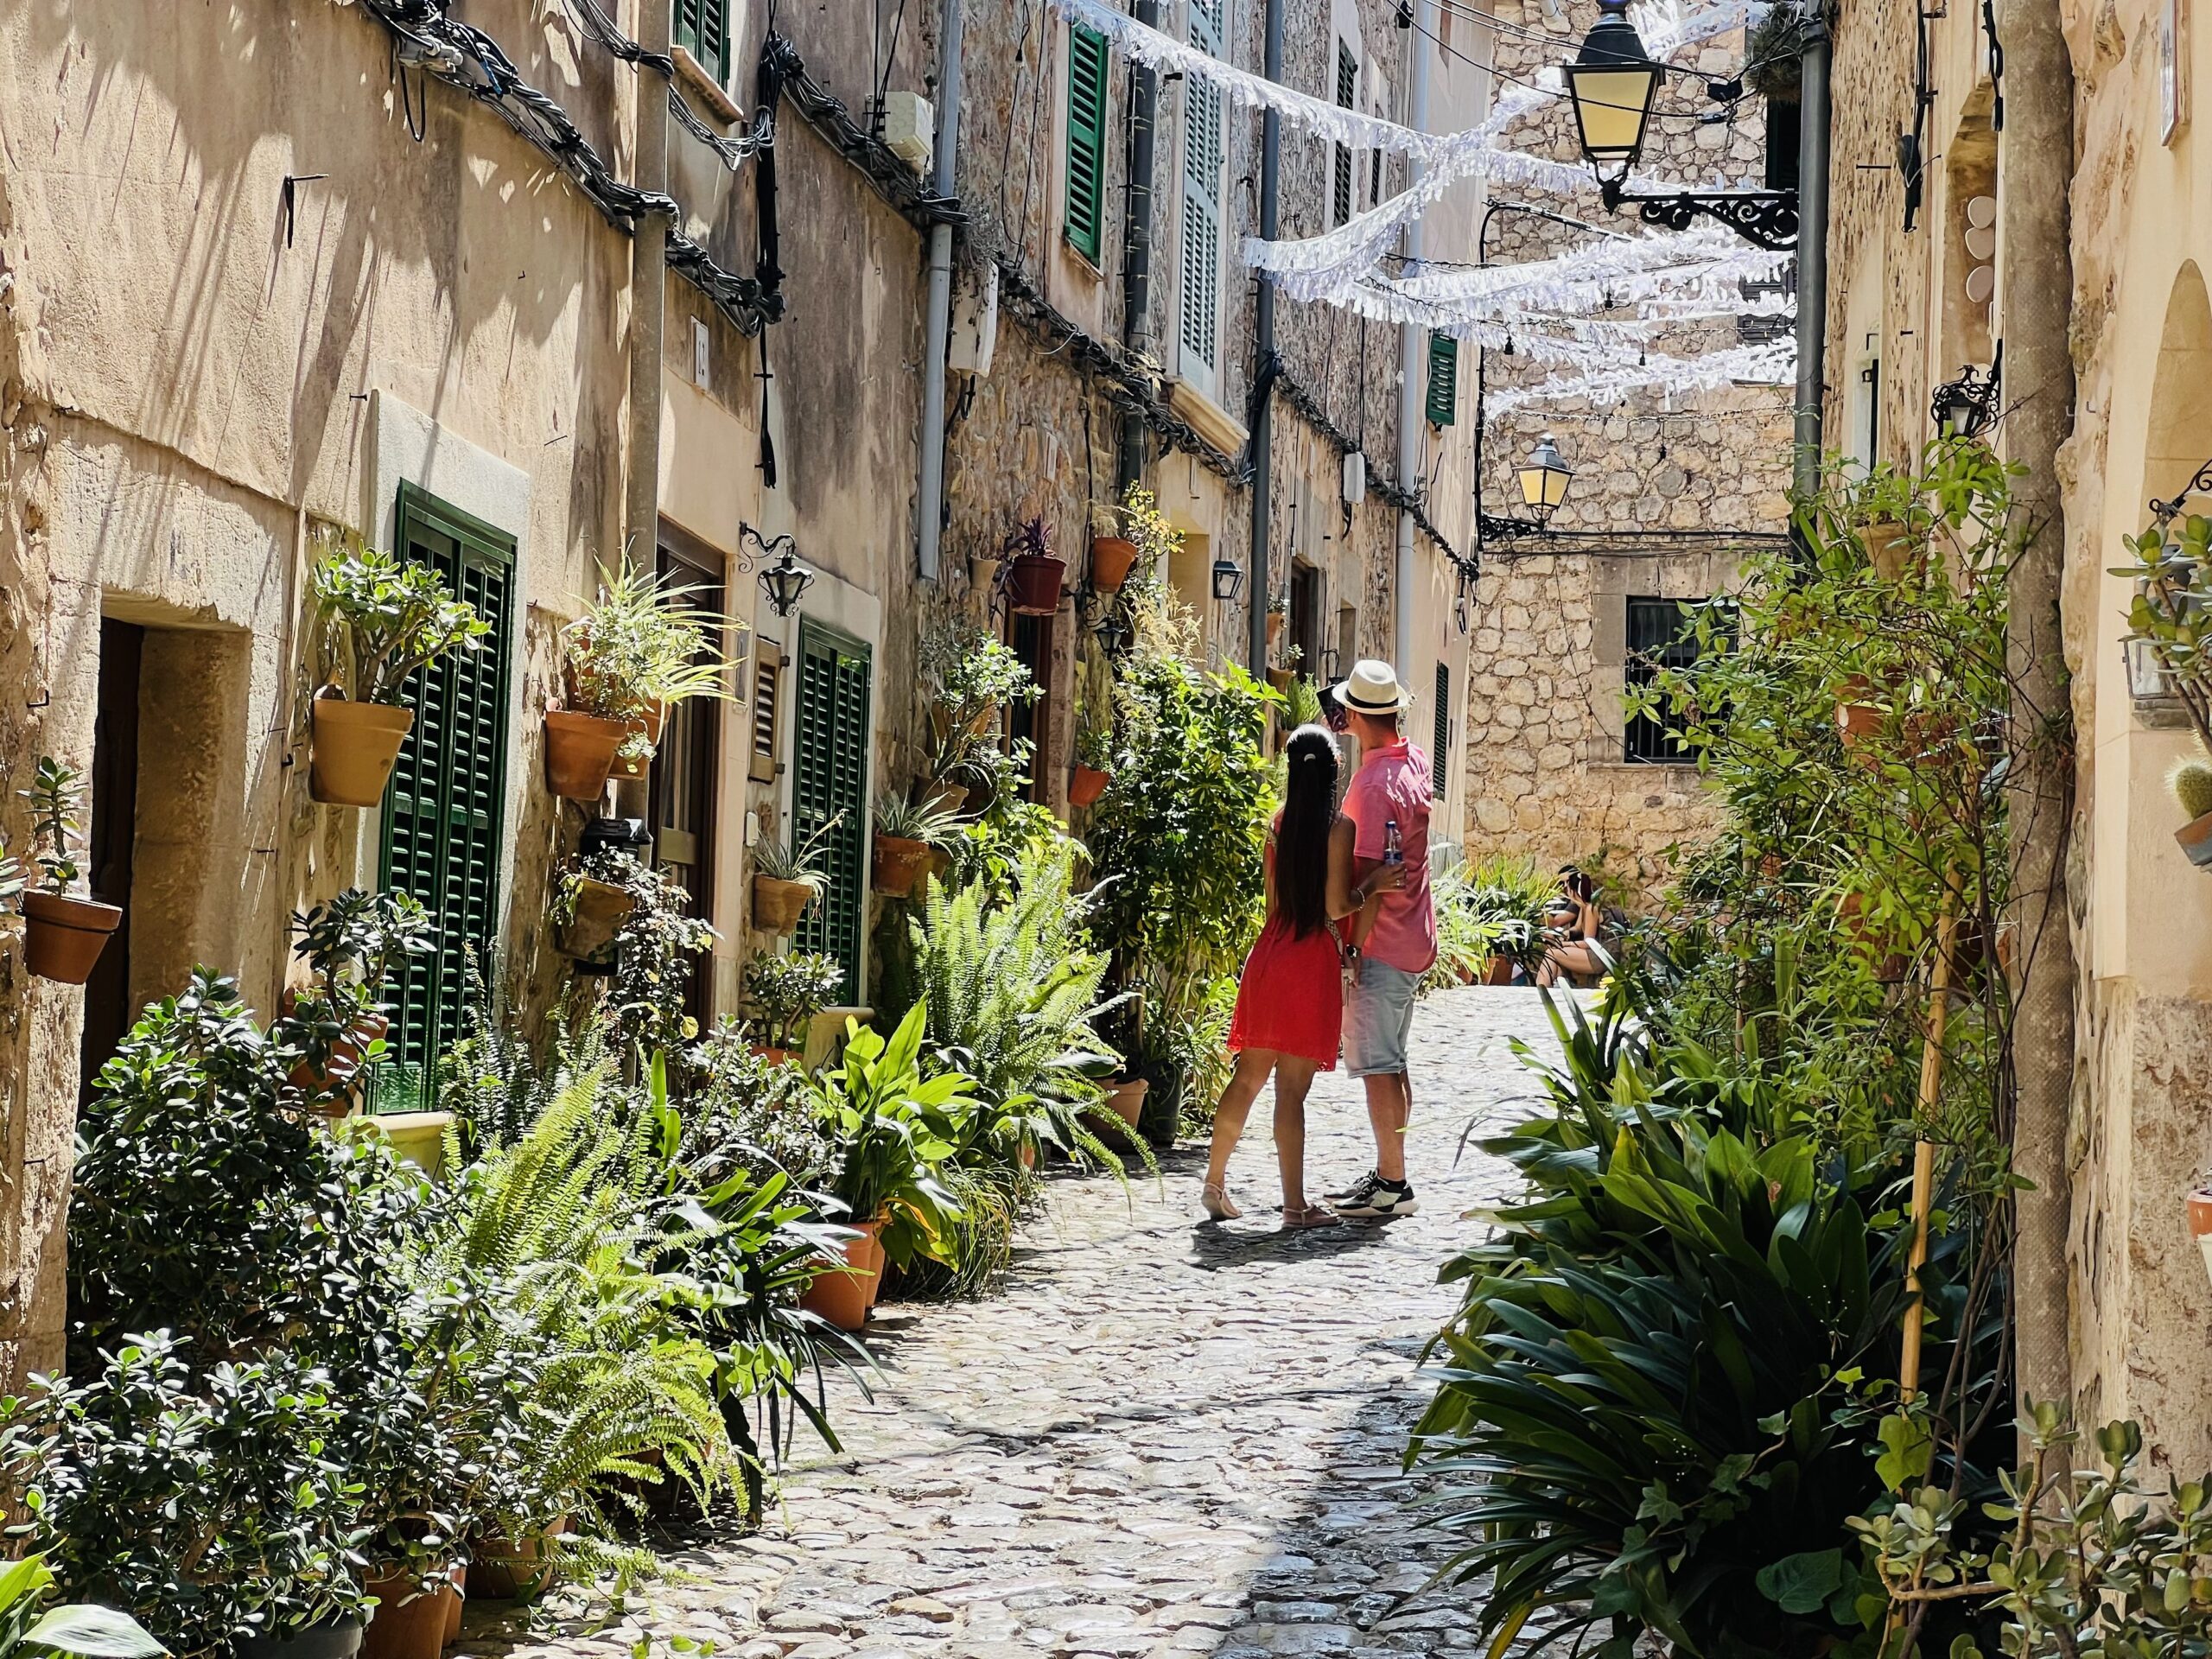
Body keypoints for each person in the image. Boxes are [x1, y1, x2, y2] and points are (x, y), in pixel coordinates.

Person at [1201, 723, 1401, 1228]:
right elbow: (1337, 906)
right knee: (1291, 1092)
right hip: (1310, 963)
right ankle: (1294, 1207)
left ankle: (1214, 1182)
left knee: (1246, 1078)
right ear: (1334, 773)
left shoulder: (1278, 822)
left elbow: (1272, 902)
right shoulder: (1340, 829)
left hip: (1270, 953)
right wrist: (1373, 884)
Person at [1326, 660, 1436, 1222]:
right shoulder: (1413, 760)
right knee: (1394, 1061)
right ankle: (1393, 1171)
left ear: (1353, 715)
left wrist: (1350, 951)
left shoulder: (1370, 787)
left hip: (1383, 942)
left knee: (1378, 1064)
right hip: (1416, 932)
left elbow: (1367, 880)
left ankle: (1393, 1185)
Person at [1537, 864, 1618, 987]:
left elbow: (1588, 943)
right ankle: (1557, 985)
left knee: (1551, 953)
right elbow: (1578, 928)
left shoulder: (1591, 908)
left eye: (1565, 885)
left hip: (1602, 956)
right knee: (1554, 950)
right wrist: (1564, 935)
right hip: (1597, 953)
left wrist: (1564, 944)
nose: (1563, 889)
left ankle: (1541, 991)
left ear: (1572, 888)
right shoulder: (1584, 907)